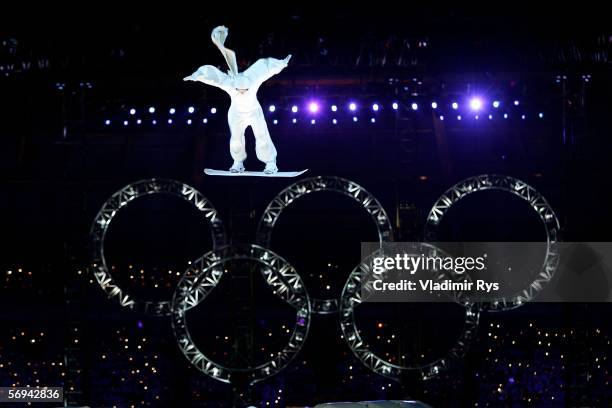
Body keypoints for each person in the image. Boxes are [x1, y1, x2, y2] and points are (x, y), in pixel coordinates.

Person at [184, 25, 291, 174]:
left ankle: (271, 163)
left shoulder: (254, 79)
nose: (241, 92)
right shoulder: (229, 83)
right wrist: (196, 76)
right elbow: (213, 77)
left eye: (244, 90)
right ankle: (238, 162)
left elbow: (267, 69)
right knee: (235, 138)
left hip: (254, 111)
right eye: (238, 90)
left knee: (262, 136)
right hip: (236, 113)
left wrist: (281, 64)